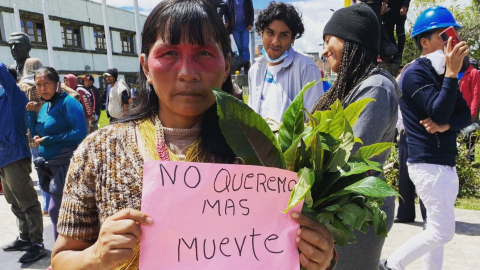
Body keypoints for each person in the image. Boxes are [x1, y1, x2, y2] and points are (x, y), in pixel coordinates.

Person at [50, 1, 336, 269]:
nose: (187, 72)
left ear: (226, 66)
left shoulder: (264, 152)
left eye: (203, 53)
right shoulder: (100, 150)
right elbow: (62, 257)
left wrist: (319, 256)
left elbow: (285, 248)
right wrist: (94, 256)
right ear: (146, 66)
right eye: (169, 53)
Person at [311, 4, 400, 269]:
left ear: (352, 40)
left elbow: (350, 163)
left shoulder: (377, 88)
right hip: (340, 210)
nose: (324, 50)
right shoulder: (357, 85)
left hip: (356, 217)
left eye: (329, 40)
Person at [380, 6, 470, 270]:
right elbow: (439, 111)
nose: (451, 42)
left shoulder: (442, 73)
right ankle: (391, 265)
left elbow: (465, 115)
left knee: (435, 229)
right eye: (445, 36)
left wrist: (447, 126)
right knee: (442, 232)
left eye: (453, 35)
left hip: (444, 163)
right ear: (425, 42)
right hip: (427, 164)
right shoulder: (414, 73)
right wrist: (452, 75)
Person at [27, 67, 87, 240]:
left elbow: (80, 133)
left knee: (56, 210)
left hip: (66, 163)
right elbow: (36, 131)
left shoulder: (69, 102)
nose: (43, 88)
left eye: (47, 83)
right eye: (39, 85)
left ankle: (63, 255)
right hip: (50, 165)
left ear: (57, 84)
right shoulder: (45, 106)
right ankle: (61, 254)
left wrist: (51, 139)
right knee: (58, 211)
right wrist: (31, 115)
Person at [248, 2, 324, 123]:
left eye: (283, 35)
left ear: (293, 38)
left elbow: (314, 121)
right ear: (261, 33)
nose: (275, 42)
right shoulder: (255, 70)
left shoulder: (305, 67)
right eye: (270, 33)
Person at [0, 63, 45, 263]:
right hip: (3, 157)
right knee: (13, 201)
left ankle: (37, 243)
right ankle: (25, 237)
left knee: (27, 202)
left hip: (15, 156)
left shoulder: (14, 95)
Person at [17, 57, 52, 215]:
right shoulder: (47, 83)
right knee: (53, 168)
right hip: (50, 128)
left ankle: (46, 204)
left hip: (31, 134)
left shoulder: (21, 86)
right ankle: (54, 202)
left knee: (40, 170)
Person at [226, 0, 254, 72]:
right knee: (240, 48)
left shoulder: (248, 1)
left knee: (245, 47)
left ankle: (247, 67)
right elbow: (226, 11)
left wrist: (250, 23)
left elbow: (251, 11)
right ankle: (241, 65)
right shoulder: (230, 1)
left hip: (245, 27)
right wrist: (227, 22)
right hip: (235, 28)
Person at [459, 58, 480, 123]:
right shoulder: (454, 71)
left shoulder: (474, 72)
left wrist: (473, 113)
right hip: (455, 111)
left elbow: (476, 94)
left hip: (467, 111)